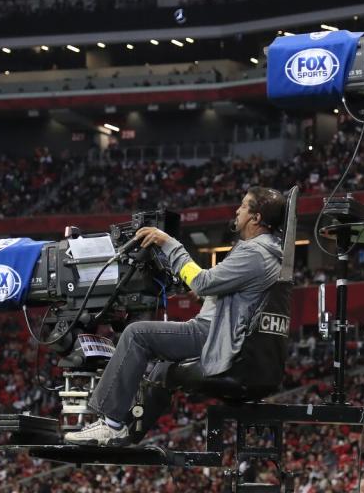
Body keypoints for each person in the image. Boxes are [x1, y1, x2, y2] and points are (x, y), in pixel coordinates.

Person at [64, 186, 286, 446]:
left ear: (256, 218)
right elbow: (239, 293)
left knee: (137, 335)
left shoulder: (254, 253)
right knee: (161, 372)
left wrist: (168, 242)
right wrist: (208, 296)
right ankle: (127, 434)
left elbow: (202, 281)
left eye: (244, 205)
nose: (237, 210)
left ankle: (110, 425)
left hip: (213, 334)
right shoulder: (266, 252)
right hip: (222, 332)